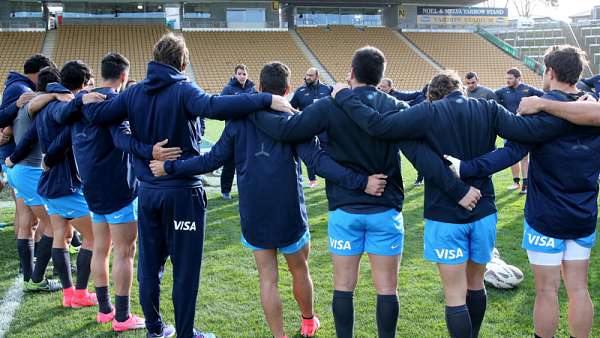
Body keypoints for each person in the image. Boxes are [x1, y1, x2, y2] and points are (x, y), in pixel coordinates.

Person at [249, 47, 480, 338]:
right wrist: (457, 190)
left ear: (351, 73)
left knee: (344, 286)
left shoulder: (329, 104)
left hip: (346, 211)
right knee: (386, 289)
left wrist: (253, 109)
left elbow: (287, 131)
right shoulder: (394, 106)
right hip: (385, 210)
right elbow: (421, 157)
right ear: (380, 77)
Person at [331, 67, 576, 338]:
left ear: (433, 95)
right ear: (460, 88)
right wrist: (572, 108)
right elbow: (525, 137)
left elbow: (378, 125)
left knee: (455, 296)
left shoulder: (429, 111)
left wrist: (344, 96)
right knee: (475, 285)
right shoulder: (488, 108)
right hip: (483, 209)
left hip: (444, 213)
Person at [149, 61, 389, 338]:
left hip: (255, 212)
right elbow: (319, 163)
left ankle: (280, 335)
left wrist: (170, 167)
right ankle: (308, 321)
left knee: (268, 278)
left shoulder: (240, 122)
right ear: (287, 90)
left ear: (260, 88)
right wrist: (362, 182)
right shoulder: (294, 120)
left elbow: (210, 160)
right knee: (300, 269)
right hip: (288, 212)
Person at [79, 33, 295, 338]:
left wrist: (82, 98)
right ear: (183, 61)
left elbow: (98, 117)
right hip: (182, 194)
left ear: (155, 58)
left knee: (149, 264)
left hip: (149, 193)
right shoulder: (181, 89)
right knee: (184, 269)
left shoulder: (133, 93)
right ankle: (183, 333)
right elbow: (215, 106)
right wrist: (267, 98)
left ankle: (155, 329)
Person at [446, 45, 598, 338]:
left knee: (546, 290)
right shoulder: (591, 106)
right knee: (578, 288)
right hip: (583, 213)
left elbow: (509, 154)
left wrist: (465, 168)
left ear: (549, 72)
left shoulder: (542, 110)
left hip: (545, 216)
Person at [50, 53, 183, 331]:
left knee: (102, 248)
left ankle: (105, 310)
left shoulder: (80, 104)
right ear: (124, 76)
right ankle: (122, 317)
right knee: (125, 251)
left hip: (93, 190)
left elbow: (61, 121)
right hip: (118, 189)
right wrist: (151, 151)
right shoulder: (111, 104)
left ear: (101, 74)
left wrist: (76, 100)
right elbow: (123, 140)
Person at [29, 60, 97, 308]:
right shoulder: (61, 104)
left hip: (52, 182)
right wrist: (79, 101)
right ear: (82, 83)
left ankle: (69, 294)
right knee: (96, 237)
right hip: (63, 183)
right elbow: (63, 118)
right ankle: (79, 293)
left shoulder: (47, 105)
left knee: (63, 235)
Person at [5, 66, 64, 292]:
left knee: (28, 222)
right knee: (53, 223)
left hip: (21, 170)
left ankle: (28, 274)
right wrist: (53, 95)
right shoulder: (35, 101)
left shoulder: (31, 100)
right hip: (29, 171)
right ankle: (37, 278)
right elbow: (33, 107)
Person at [0, 54, 56, 274]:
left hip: (16, 162)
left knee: (27, 216)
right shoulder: (21, 90)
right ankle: (38, 270)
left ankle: (27, 266)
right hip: (21, 162)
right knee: (50, 220)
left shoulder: (21, 88)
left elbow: (11, 124)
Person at [494, 68, 544, 194]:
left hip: (525, 128)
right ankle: (516, 182)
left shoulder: (528, 89)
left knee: (524, 157)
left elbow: (545, 97)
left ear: (518, 78)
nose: (508, 81)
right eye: (507, 78)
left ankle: (526, 185)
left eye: (510, 78)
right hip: (509, 129)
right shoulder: (501, 92)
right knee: (512, 155)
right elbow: (489, 96)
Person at [219, 64, 257, 200]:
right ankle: (225, 190)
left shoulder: (252, 89)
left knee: (248, 163)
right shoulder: (228, 89)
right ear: (235, 75)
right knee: (229, 163)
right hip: (232, 132)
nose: (242, 76)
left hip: (249, 132)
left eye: (244, 74)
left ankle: (246, 190)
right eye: (239, 74)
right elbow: (220, 107)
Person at [290, 67, 333, 188]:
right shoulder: (300, 91)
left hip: (325, 129)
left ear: (317, 77)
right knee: (309, 154)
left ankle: (330, 178)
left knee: (329, 154)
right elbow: (291, 107)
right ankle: (312, 179)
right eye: (307, 75)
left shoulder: (327, 89)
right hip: (308, 129)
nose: (307, 77)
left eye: (310, 75)